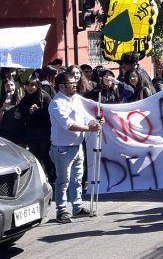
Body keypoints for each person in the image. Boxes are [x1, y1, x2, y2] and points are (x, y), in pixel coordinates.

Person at [48, 72, 103, 223]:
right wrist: (90, 129)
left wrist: (94, 122)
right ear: (62, 86)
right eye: (71, 83)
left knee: (77, 179)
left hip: (78, 146)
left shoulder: (76, 99)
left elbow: (85, 117)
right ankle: (61, 210)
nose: (75, 85)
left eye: (75, 82)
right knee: (63, 181)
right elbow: (68, 125)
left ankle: (77, 207)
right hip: (62, 148)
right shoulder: (57, 103)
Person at [17, 78, 53, 179]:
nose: (29, 88)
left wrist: (38, 111)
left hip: (44, 133)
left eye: (32, 85)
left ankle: (50, 177)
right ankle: (38, 178)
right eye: (27, 85)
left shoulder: (45, 97)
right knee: (35, 157)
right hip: (31, 133)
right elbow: (23, 116)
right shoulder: (25, 99)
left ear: (37, 86)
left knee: (45, 155)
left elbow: (50, 115)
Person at [0, 78, 24, 146]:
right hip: (5, 134)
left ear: (15, 86)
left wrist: (21, 116)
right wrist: (2, 108)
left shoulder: (21, 100)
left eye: (12, 85)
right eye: (7, 86)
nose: (10, 87)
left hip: (18, 134)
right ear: (4, 88)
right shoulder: (0, 101)